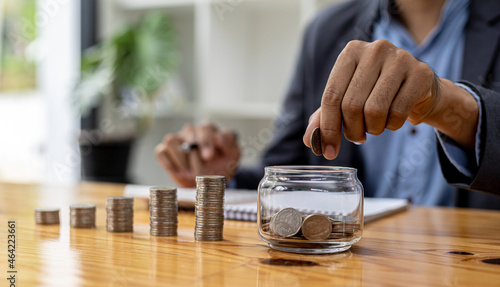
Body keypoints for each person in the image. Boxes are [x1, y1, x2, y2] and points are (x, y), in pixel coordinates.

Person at [155, 0, 500, 209]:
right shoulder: (325, 32)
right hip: (357, 269)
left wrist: (448, 105)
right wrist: (222, 176)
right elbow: (288, 167)